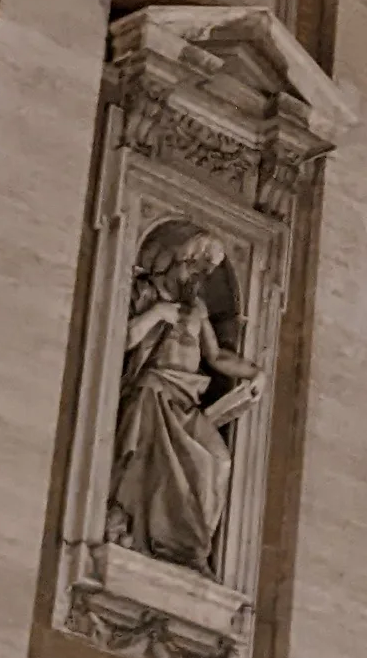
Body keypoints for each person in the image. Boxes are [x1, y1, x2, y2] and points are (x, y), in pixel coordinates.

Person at [109, 227, 258, 566]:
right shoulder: (148, 293)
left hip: (187, 402)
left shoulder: (199, 309)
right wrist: (157, 314)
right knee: (154, 471)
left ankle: (188, 549)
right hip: (153, 393)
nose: (199, 277)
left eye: (207, 271)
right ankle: (142, 536)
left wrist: (254, 373)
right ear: (178, 260)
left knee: (218, 461)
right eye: (196, 266)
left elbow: (216, 355)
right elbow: (120, 338)